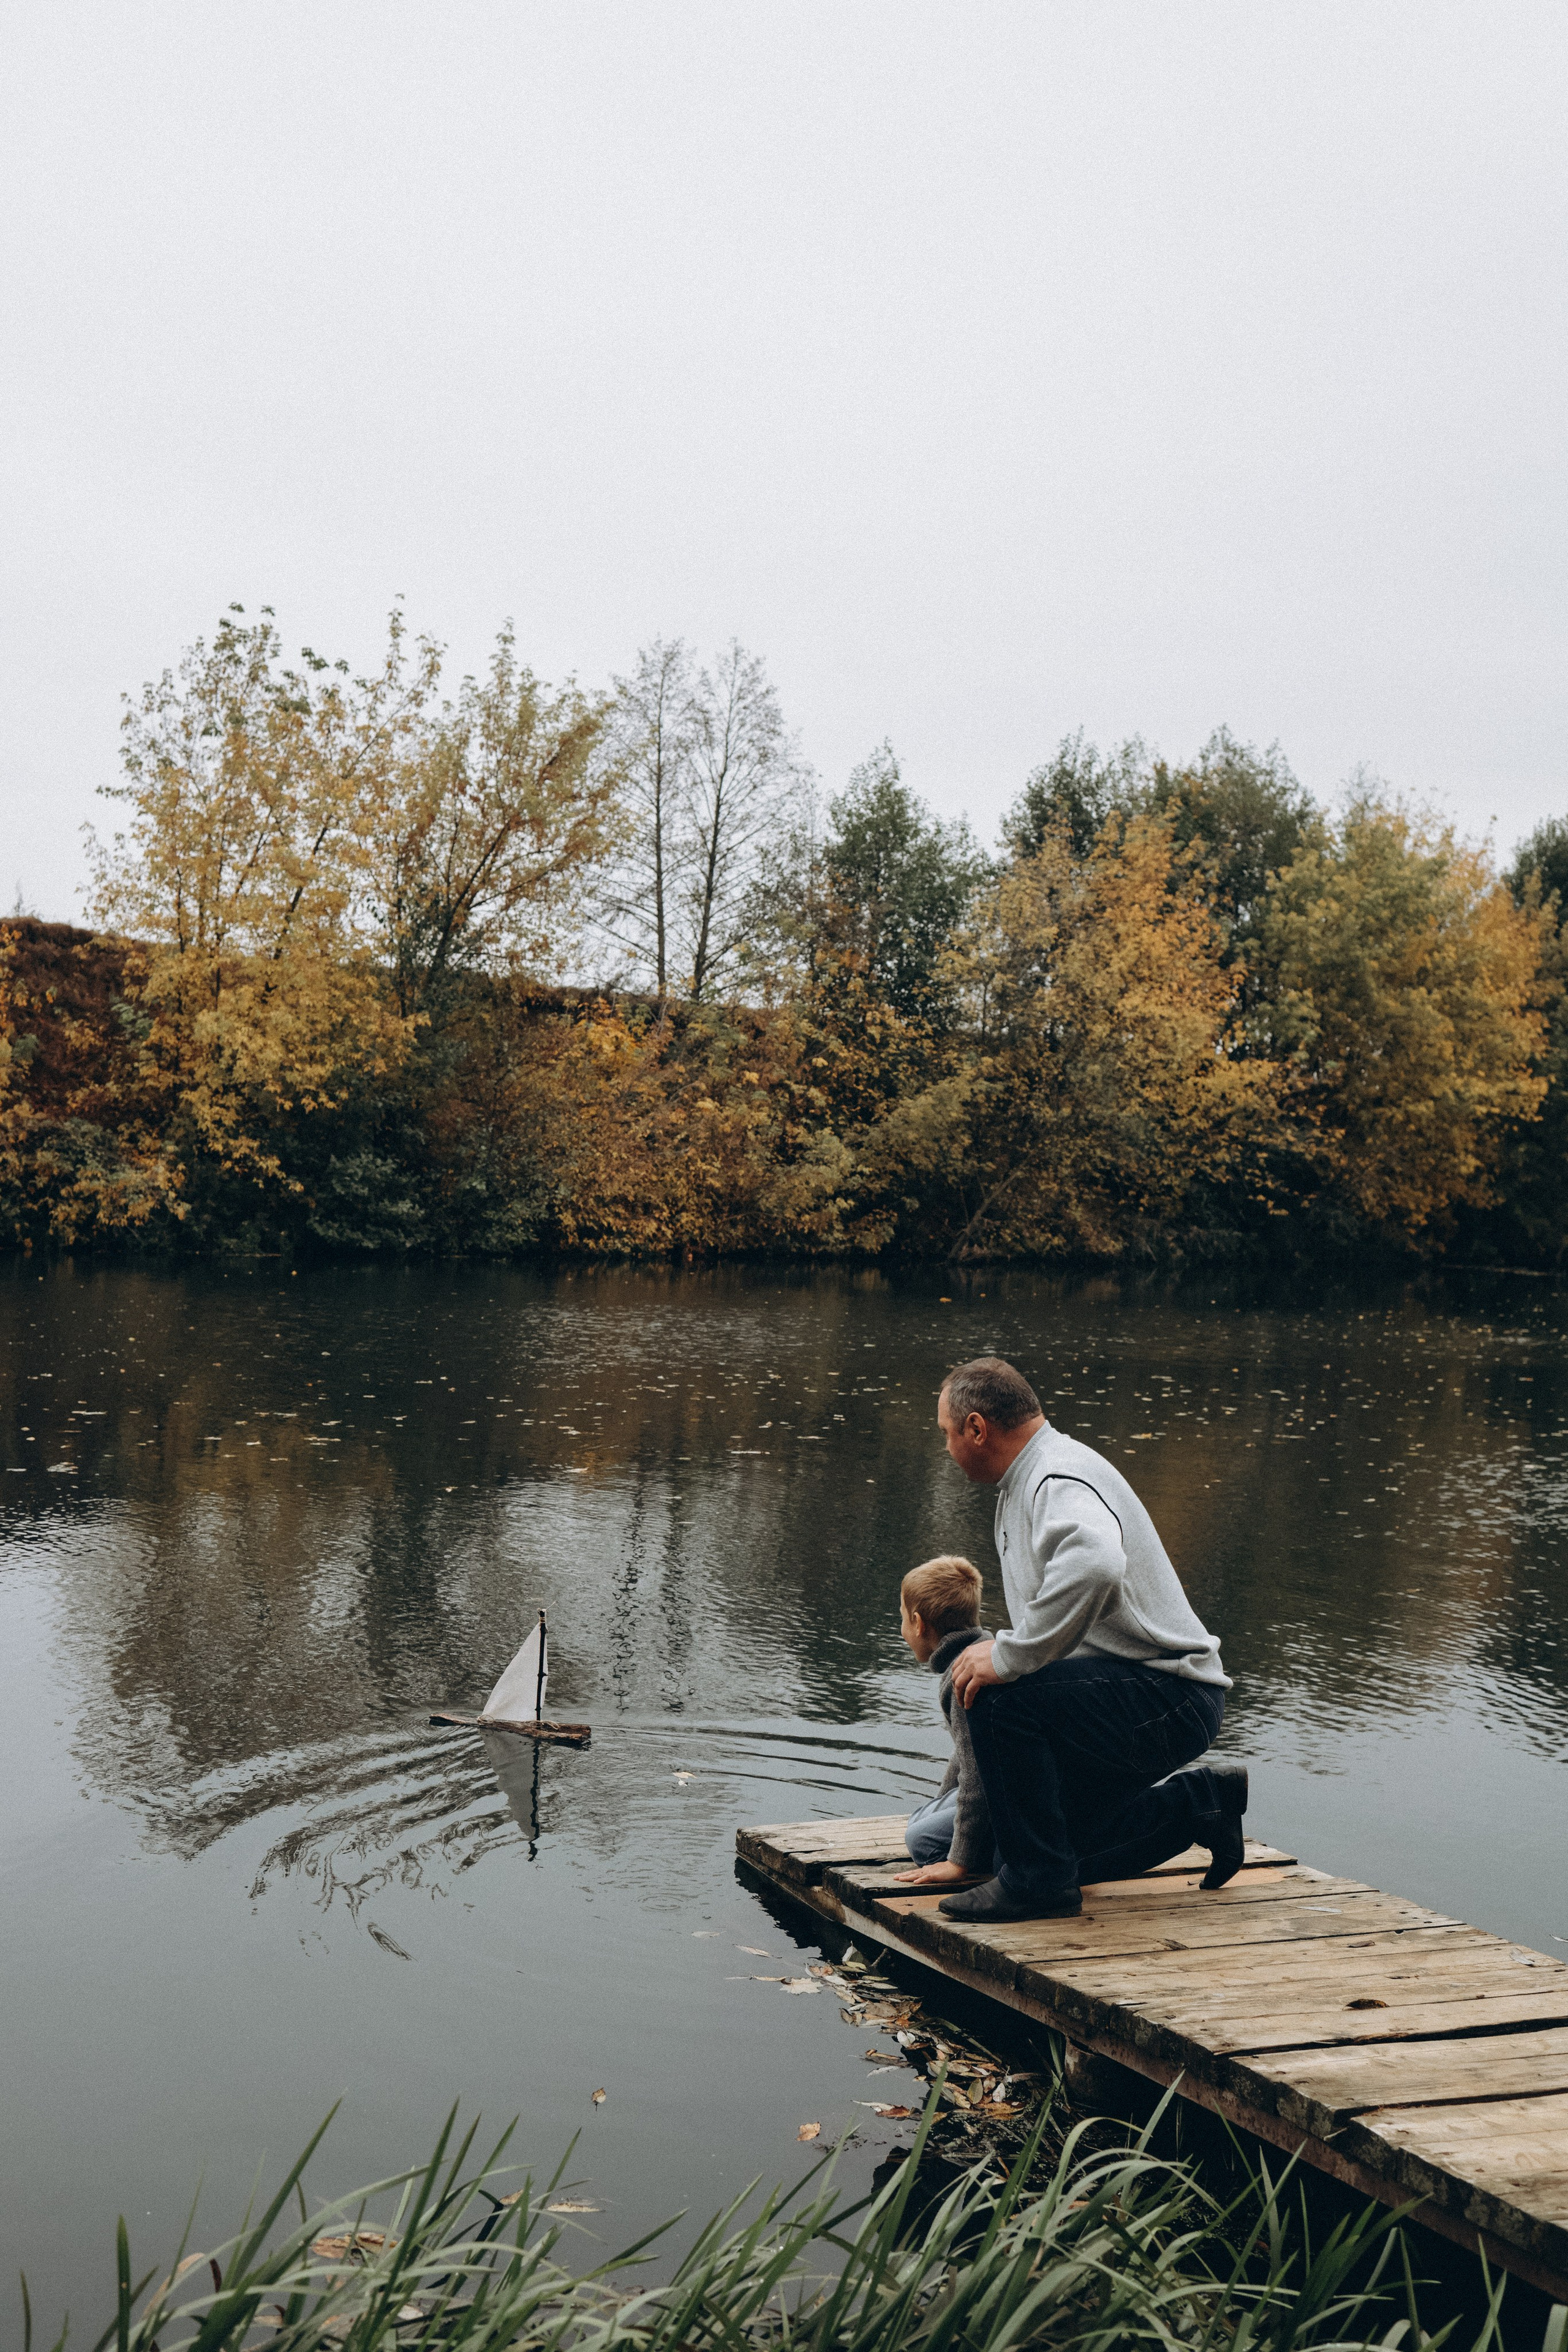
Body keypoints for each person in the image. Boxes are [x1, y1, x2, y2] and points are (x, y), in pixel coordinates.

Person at [934, 1355, 1246, 1925]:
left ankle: (1039, 1887)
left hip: (1169, 1695)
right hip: (1136, 1696)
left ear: (977, 1429)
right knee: (1029, 1846)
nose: (948, 1448)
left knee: (1001, 1695)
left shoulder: (1055, 1476)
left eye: (948, 1434)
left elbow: (1097, 1564)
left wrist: (1010, 1656)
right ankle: (1202, 1805)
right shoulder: (1030, 1477)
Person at [890, 1555, 993, 1887]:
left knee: (921, 1841)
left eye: (903, 1618)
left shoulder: (965, 1674)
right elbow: (965, 1753)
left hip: (1002, 1792)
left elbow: (977, 1773)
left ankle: (995, 1855)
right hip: (998, 1784)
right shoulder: (985, 1649)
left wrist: (957, 1862)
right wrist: (940, 1804)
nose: (902, 1629)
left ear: (919, 1623)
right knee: (923, 1818)